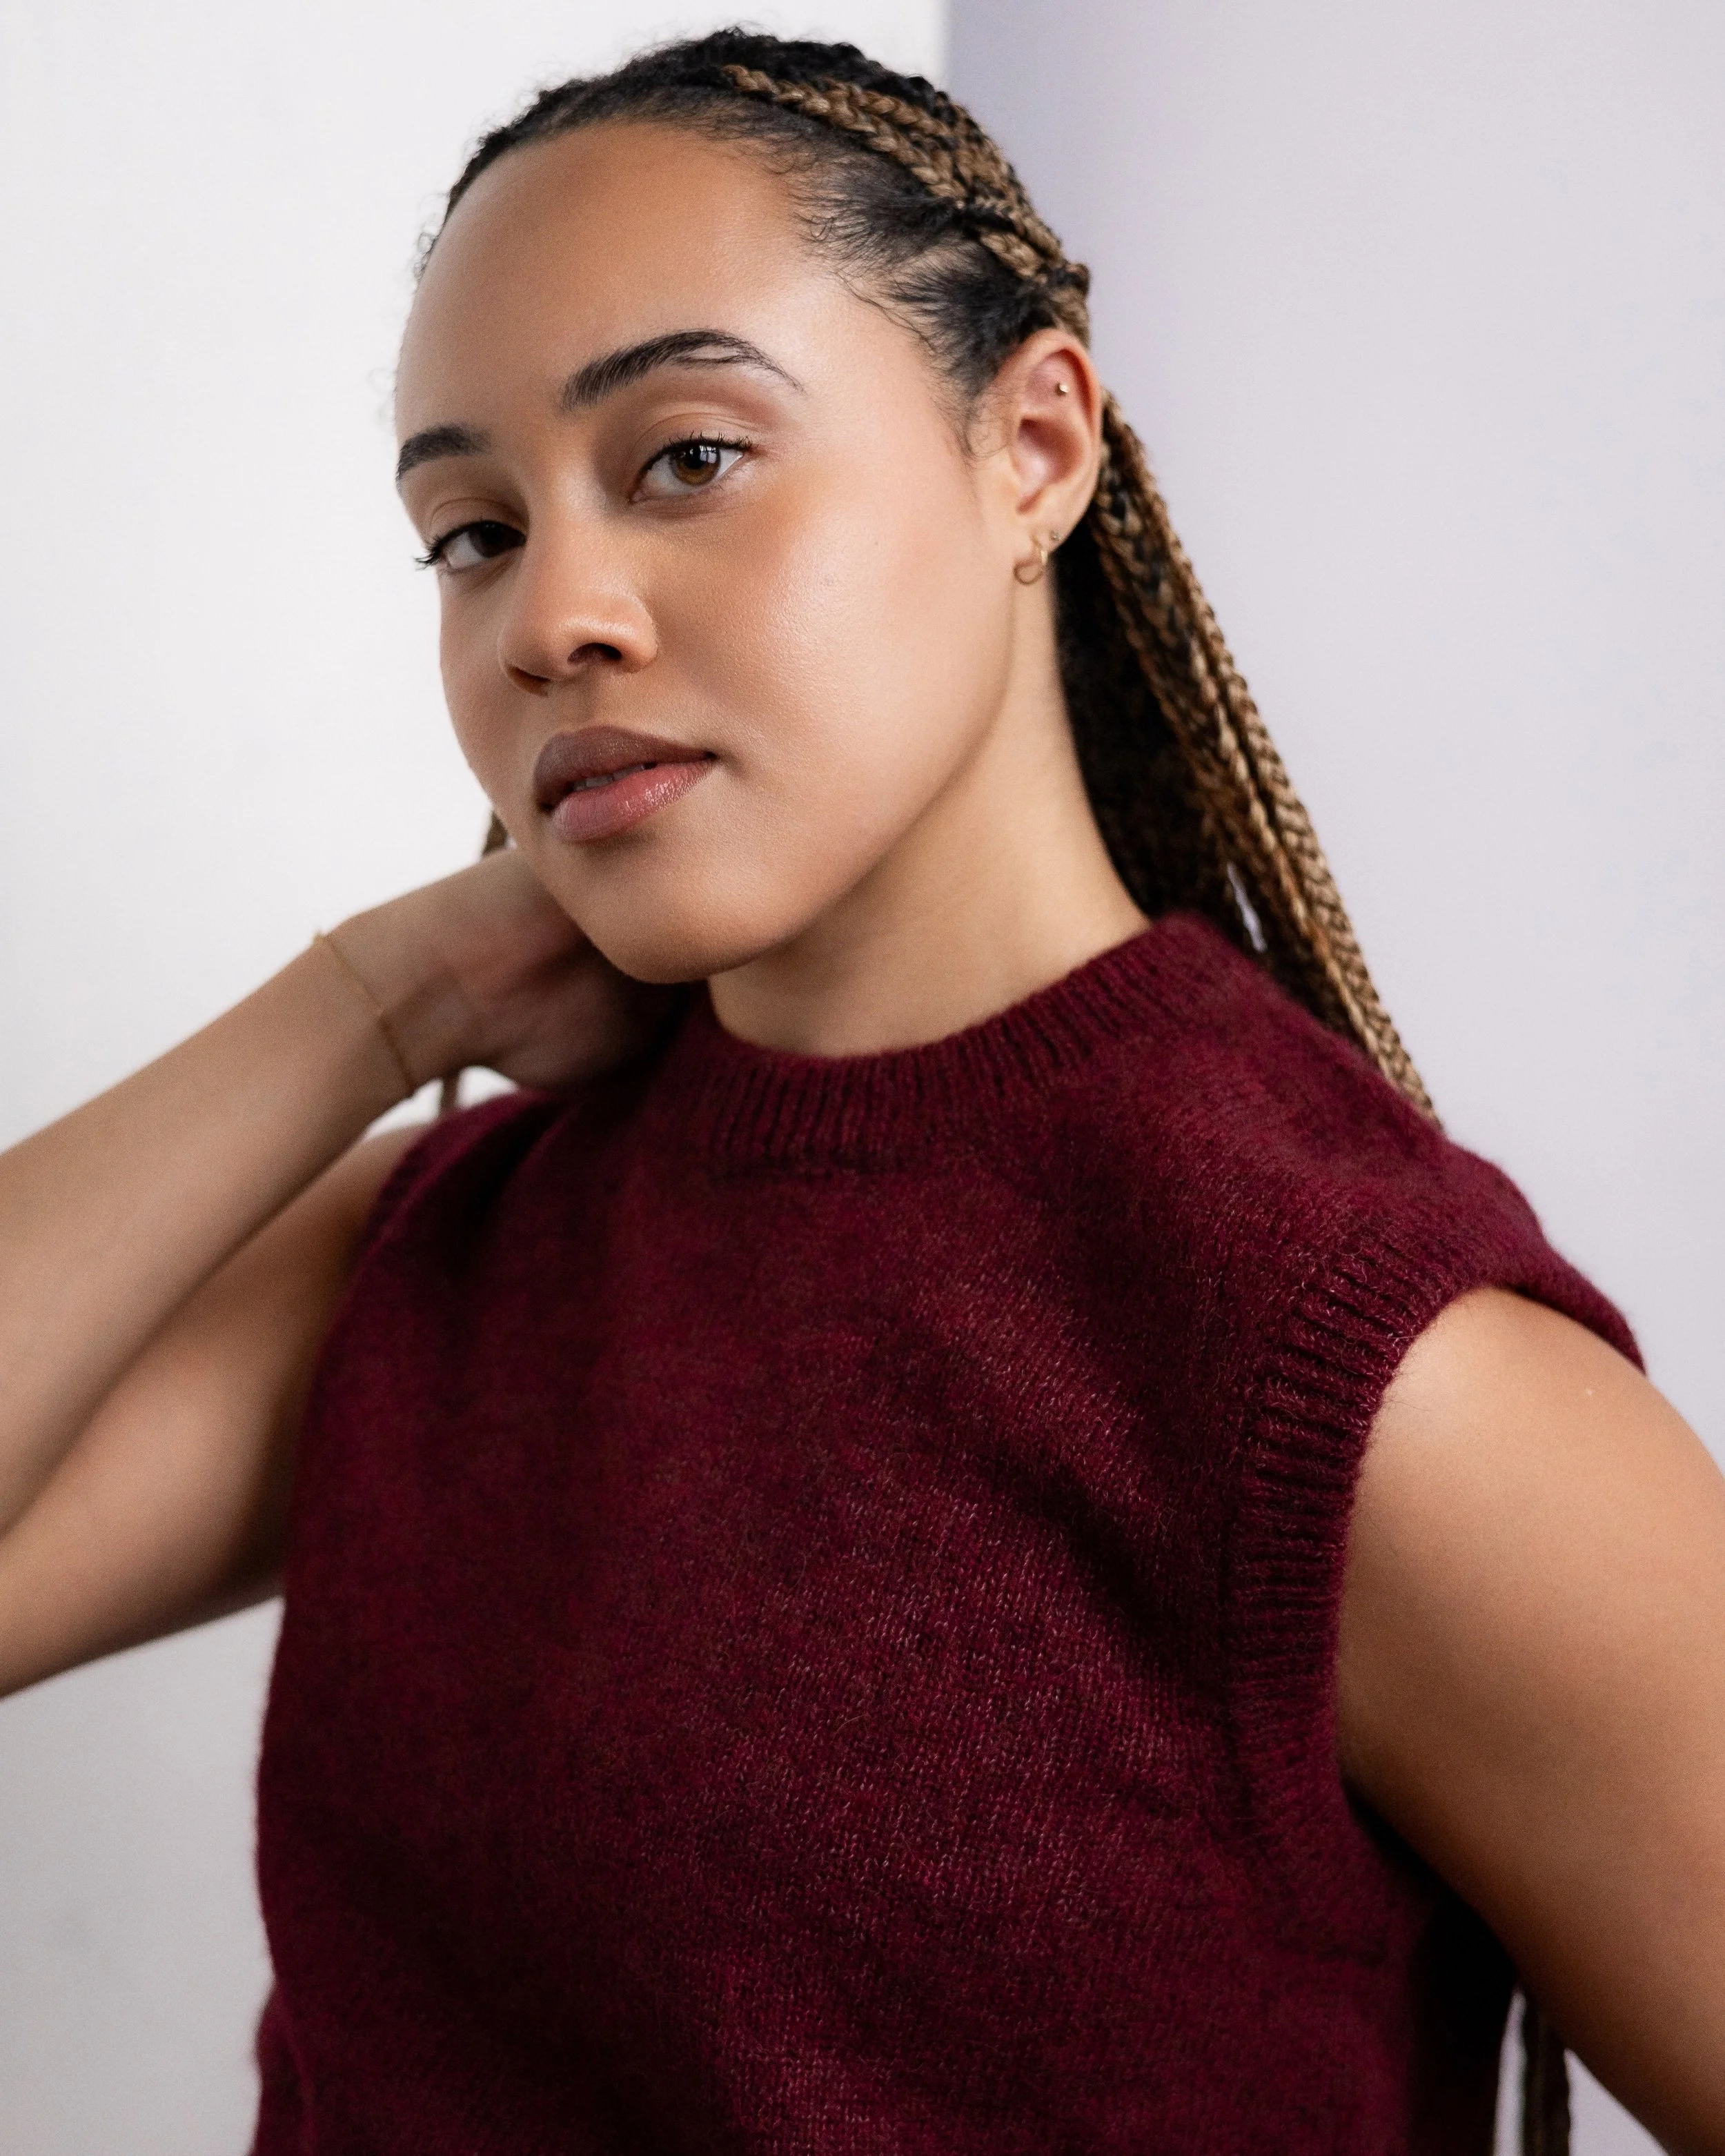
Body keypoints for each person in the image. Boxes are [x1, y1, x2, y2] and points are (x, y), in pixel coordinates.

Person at [0, 28, 1719, 2155]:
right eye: (465, 531)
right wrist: (368, 999)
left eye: (687, 456)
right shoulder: (446, 1243)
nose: (552, 614)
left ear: (1032, 443)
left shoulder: (1351, 1359)